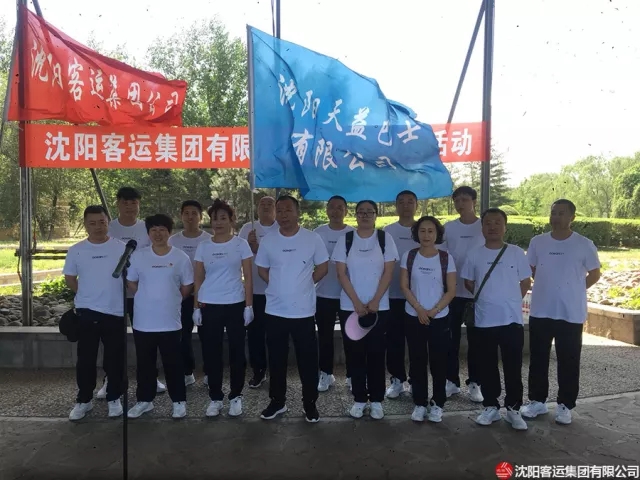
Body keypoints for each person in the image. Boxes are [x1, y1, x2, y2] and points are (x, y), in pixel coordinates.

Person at [520, 199, 601, 425]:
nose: (556, 217)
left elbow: (595, 274)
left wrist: (575, 289)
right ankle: (537, 401)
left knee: (569, 359)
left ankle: (565, 404)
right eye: (553, 212)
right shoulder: (538, 242)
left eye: (561, 213)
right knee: (538, 359)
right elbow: (530, 269)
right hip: (541, 310)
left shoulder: (584, 244)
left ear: (572, 217)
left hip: (570, 312)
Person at [255, 195, 329, 423]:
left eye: (288, 210)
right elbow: (262, 270)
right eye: (279, 210)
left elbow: (323, 267)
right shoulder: (269, 240)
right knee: (276, 360)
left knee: (308, 361)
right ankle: (277, 402)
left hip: (303, 311)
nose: (283, 215)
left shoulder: (312, 238)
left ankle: (310, 404)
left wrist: (305, 284)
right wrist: (279, 286)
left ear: (297, 212)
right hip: (275, 310)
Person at [461, 208, 532, 431]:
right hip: (483, 321)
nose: (492, 227)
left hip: (511, 321)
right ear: (482, 227)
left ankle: (513, 409)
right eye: (488, 223)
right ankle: (490, 406)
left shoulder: (516, 253)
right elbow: (468, 282)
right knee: (487, 366)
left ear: (505, 227)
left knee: (513, 367)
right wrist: (489, 299)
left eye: (497, 222)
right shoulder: (474, 254)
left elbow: (525, 282)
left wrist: (509, 300)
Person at [332, 200, 399, 420]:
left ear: (376, 215)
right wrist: (356, 303)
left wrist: (376, 300)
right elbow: (341, 274)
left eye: (369, 212)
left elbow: (388, 272)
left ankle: (377, 400)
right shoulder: (346, 239)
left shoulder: (384, 239)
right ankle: (359, 399)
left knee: (377, 353)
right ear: (355, 215)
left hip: (379, 307)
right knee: (355, 354)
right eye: (361, 212)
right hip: (350, 307)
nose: (365, 215)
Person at [101, 187, 166, 398]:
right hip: (115, 294)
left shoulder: (146, 228)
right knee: (113, 341)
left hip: (141, 293)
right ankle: (110, 380)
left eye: (134, 202)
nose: (129, 206)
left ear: (139, 205)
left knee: (146, 339)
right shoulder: (109, 227)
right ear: (118, 204)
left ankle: (150, 378)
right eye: (125, 202)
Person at [126, 214, 194, 419]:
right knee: (145, 364)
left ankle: (179, 401)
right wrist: (147, 296)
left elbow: (187, 286)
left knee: (173, 363)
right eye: (153, 230)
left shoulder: (181, 257)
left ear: (169, 232)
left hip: (170, 321)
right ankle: (144, 401)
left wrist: (171, 298)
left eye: (162, 229)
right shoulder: (139, 256)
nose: (158, 234)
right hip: (143, 322)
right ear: (148, 233)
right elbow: (131, 282)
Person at [64, 206, 126, 421]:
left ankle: (114, 397)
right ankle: (84, 400)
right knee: (86, 359)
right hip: (87, 312)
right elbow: (70, 278)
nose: (98, 227)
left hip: (115, 311)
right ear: (85, 224)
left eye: (102, 222)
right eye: (92, 223)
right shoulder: (76, 250)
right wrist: (86, 295)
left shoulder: (122, 248)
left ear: (108, 222)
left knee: (115, 358)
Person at [193, 199, 254, 417]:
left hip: (235, 304)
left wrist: (249, 305)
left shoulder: (241, 244)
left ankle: (236, 395)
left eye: (223, 218)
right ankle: (215, 397)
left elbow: (248, 277)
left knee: (237, 352)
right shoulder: (204, 246)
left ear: (231, 220)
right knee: (212, 353)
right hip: (209, 304)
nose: (218, 223)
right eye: (214, 219)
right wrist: (196, 307)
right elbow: (198, 278)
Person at [400, 216, 456, 423]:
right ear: (416, 233)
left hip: (439, 317)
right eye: (422, 231)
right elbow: (404, 286)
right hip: (413, 316)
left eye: (430, 231)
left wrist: (433, 311)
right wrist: (419, 309)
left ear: (437, 234)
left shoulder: (446, 258)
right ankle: (419, 402)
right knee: (417, 361)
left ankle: (438, 403)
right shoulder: (409, 256)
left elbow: (451, 290)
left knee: (439, 362)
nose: (426, 235)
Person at [440, 186, 485, 402]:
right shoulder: (449, 228)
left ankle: (475, 382)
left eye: (465, 200)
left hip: (477, 293)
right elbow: (441, 257)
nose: (460, 204)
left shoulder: (484, 226)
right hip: (453, 293)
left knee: (477, 341)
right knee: (450, 340)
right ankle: (451, 381)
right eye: (457, 200)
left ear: (474, 202)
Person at [168, 200, 212, 387]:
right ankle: (187, 371)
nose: (190, 217)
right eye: (186, 213)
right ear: (181, 216)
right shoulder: (173, 240)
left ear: (201, 217)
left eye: (194, 213)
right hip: (182, 294)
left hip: (206, 294)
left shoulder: (209, 239)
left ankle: (210, 371)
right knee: (182, 334)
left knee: (208, 335)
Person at [313, 195, 354, 392]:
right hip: (323, 294)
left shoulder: (353, 234)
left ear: (346, 211)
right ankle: (326, 373)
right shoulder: (317, 233)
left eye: (340, 207)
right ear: (327, 210)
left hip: (348, 295)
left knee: (351, 337)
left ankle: (352, 374)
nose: (335, 211)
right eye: (332, 207)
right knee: (324, 337)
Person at [238, 196, 279, 388]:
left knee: (276, 335)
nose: (266, 207)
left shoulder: (281, 229)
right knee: (255, 335)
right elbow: (237, 254)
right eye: (262, 204)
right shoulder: (248, 228)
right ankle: (258, 370)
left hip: (276, 291)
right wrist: (248, 246)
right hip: (253, 292)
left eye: (270, 204)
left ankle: (277, 371)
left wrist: (258, 248)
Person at [383, 190, 419, 398]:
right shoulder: (388, 231)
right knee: (394, 340)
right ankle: (397, 379)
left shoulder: (424, 229)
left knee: (416, 341)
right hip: (393, 295)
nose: (406, 205)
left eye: (410, 202)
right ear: (396, 206)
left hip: (418, 297)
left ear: (416, 206)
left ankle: (416, 380)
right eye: (401, 202)